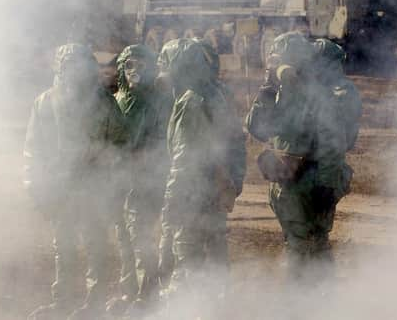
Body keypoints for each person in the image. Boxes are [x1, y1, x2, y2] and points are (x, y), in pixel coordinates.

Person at [245, 32, 361, 282]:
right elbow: (256, 127)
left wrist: (327, 184)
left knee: (302, 247)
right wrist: (268, 88)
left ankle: (298, 307)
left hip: (310, 180)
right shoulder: (282, 90)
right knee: (312, 245)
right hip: (289, 179)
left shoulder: (321, 93)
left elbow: (333, 140)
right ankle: (322, 302)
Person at [24, 43, 126, 320]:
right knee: (64, 244)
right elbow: (35, 149)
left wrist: (108, 172)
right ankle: (64, 301)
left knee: (95, 245)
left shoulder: (103, 102)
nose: (74, 72)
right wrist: (35, 185)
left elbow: (119, 142)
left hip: (94, 185)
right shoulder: (45, 102)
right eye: (68, 65)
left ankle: (95, 302)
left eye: (80, 65)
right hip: (61, 186)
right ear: (60, 68)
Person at [157, 38, 246, 317]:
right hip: (214, 193)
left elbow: (184, 161)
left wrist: (171, 205)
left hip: (192, 195)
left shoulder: (190, 102)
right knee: (215, 260)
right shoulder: (215, 94)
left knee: (187, 265)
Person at [107, 44, 171, 316]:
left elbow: (163, 139)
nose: (134, 72)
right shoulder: (117, 98)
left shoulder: (157, 101)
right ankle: (129, 289)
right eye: (129, 65)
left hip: (145, 178)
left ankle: (148, 292)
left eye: (140, 66)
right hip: (119, 177)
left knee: (140, 235)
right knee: (123, 237)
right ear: (122, 68)